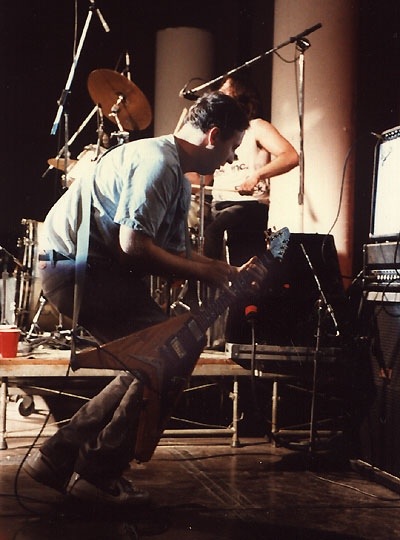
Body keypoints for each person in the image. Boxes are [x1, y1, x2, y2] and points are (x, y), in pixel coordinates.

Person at [23, 92, 268, 507]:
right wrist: (208, 273)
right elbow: (134, 245)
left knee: (158, 356)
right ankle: (95, 471)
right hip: (75, 268)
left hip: (94, 268)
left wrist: (224, 270)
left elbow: (174, 254)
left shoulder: (176, 174)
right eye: (232, 147)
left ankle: (60, 456)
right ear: (213, 136)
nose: (231, 159)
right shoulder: (157, 162)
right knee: (172, 350)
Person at [202, 74, 299, 343]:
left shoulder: (256, 127)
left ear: (242, 96)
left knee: (221, 242)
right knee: (209, 244)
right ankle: (215, 331)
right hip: (219, 205)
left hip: (247, 207)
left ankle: (233, 335)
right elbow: (205, 178)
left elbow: (290, 156)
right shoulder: (220, 133)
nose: (220, 94)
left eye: (226, 91)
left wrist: (257, 176)